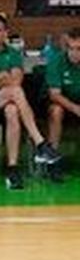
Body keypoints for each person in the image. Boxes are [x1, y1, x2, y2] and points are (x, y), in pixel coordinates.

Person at [0, 11, 58, 188]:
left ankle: (12, 168)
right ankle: (40, 142)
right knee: (15, 93)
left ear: (6, 33)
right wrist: (1, 75)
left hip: (7, 99)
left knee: (13, 110)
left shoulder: (13, 54)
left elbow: (16, 81)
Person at [43, 27, 80, 166]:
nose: (74, 53)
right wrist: (75, 108)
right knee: (56, 110)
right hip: (61, 102)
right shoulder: (56, 61)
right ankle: (52, 160)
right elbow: (54, 95)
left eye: (79, 49)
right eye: (71, 48)